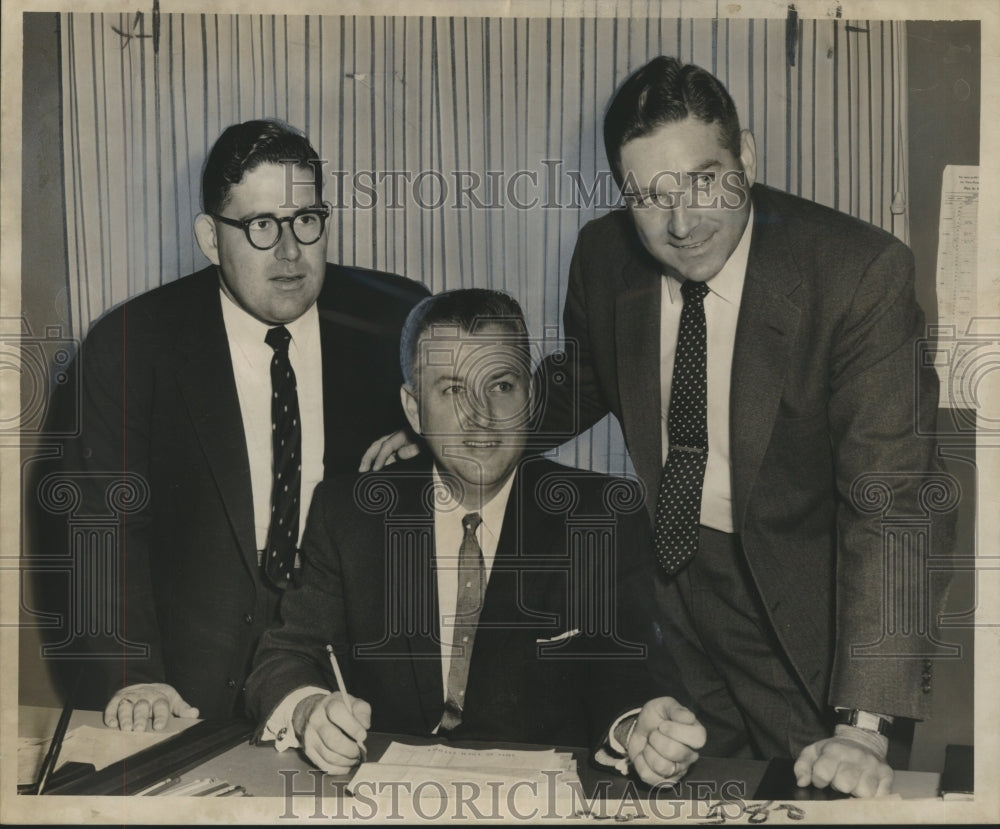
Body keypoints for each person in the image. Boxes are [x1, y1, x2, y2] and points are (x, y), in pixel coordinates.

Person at [360, 57, 955, 798]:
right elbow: (573, 390)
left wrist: (866, 724)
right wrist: (452, 432)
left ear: (748, 155)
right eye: (650, 196)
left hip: (808, 613)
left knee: (815, 794)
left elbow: (893, 504)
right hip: (668, 593)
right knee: (675, 794)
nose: (681, 222)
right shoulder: (609, 257)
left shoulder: (857, 274)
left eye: (706, 180)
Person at [34, 119, 429, 730]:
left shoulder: (398, 319)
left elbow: (485, 443)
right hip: (185, 691)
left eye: (306, 220)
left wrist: (432, 437)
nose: (290, 251)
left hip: (355, 690)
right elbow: (100, 530)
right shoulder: (132, 343)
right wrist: (134, 677)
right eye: (260, 226)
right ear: (211, 238)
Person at [246, 289, 706, 785]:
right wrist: (309, 710)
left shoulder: (598, 515)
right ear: (414, 409)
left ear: (528, 400)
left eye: (501, 385)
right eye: (451, 390)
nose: (481, 415)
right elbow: (285, 657)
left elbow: (632, 667)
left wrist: (636, 726)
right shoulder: (348, 513)